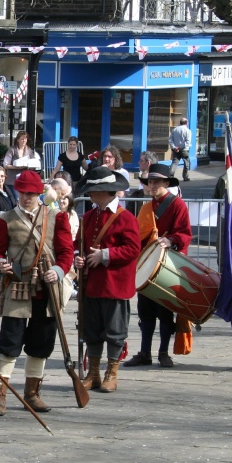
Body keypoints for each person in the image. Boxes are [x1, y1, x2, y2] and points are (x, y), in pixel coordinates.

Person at [0, 170, 73, 415]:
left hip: (46, 288)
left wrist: (58, 269)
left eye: (32, 193)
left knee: (40, 344)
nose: (27, 197)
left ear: (40, 193)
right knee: (9, 344)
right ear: (18, 192)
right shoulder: (6, 219)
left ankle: (32, 394)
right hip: (16, 284)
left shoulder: (57, 217)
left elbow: (67, 252)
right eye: (23, 193)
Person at [73, 166, 141, 393]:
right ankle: (93, 373)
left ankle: (111, 373)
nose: (89, 194)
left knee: (114, 331)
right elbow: (77, 245)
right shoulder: (89, 216)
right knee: (91, 330)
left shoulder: (126, 218)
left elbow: (132, 249)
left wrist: (105, 255)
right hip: (91, 285)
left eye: (92, 190)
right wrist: (78, 258)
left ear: (104, 191)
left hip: (115, 285)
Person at [125, 164, 191, 369]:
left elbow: (185, 233)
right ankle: (145, 352)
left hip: (168, 265)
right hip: (148, 265)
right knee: (145, 311)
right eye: (150, 182)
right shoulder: (146, 208)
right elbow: (138, 236)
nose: (152, 185)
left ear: (166, 183)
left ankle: (163, 352)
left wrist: (171, 240)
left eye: (156, 182)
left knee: (164, 311)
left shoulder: (178, 205)